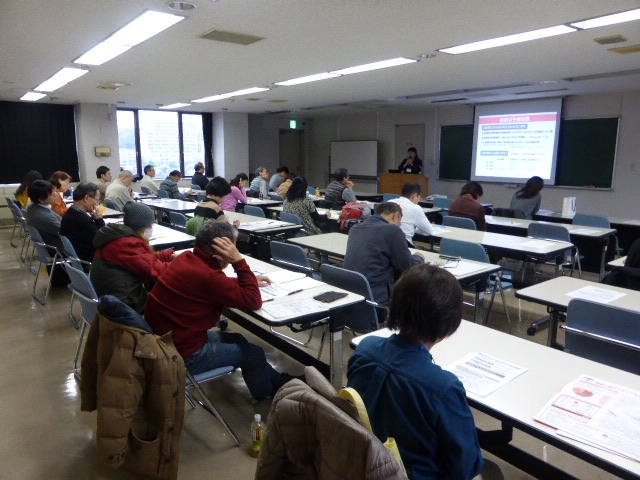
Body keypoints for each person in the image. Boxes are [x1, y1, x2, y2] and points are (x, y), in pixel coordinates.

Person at [347, 264, 484, 480]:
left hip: (365, 464)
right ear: (449, 324)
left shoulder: (364, 349)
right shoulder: (443, 388)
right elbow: (467, 467)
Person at [145, 220, 296, 400]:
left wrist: (249, 280)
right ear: (221, 251)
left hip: (166, 342)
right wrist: (239, 262)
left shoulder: (186, 258)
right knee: (253, 353)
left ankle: (278, 382)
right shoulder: (208, 276)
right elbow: (253, 300)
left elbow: (213, 283)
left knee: (238, 339)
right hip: (182, 355)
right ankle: (269, 393)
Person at [90, 201, 175, 314]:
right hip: (125, 305)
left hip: (113, 297)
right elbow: (159, 271)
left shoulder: (118, 236)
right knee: (177, 299)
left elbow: (145, 258)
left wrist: (169, 255)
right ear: (142, 227)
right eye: (150, 225)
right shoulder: (127, 244)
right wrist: (184, 264)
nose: (151, 228)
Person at [344, 202, 424, 306]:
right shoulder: (393, 230)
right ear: (395, 215)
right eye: (400, 220)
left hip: (353, 293)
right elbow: (408, 268)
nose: (400, 224)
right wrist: (418, 257)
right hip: (377, 299)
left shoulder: (355, 228)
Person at [59, 182, 104, 264]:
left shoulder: (71, 213)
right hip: (91, 262)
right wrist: (99, 220)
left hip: (76, 260)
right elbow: (103, 240)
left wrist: (94, 219)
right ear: (86, 198)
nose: (97, 204)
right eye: (97, 200)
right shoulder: (82, 220)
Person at [389, 182, 433, 246]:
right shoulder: (416, 208)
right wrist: (414, 229)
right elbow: (429, 231)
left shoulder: (389, 202)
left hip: (387, 243)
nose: (418, 201)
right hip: (405, 245)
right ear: (414, 196)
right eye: (419, 198)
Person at [25, 179, 63, 251]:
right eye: (52, 194)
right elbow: (66, 231)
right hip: (59, 249)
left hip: (50, 243)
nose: (56, 194)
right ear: (41, 199)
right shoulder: (44, 216)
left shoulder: (32, 207)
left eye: (55, 191)